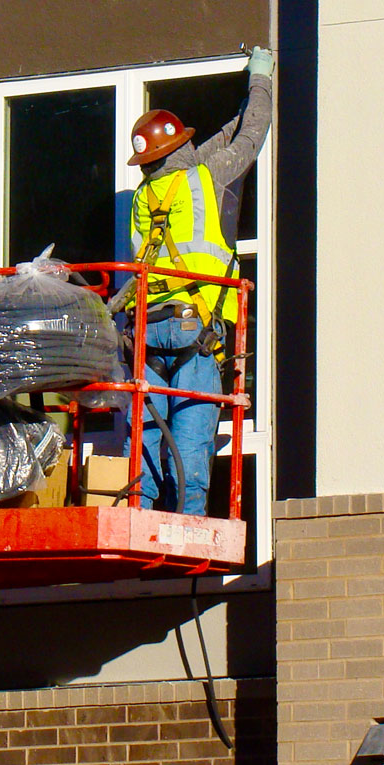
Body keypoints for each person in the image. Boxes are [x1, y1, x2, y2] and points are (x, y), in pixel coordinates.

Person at [125, 47, 274, 515]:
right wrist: (261, 79)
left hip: (146, 331)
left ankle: (143, 517)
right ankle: (188, 527)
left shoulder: (147, 194)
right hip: (194, 329)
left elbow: (217, 141)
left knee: (148, 436)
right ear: (180, 148)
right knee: (189, 443)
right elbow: (251, 136)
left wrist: (239, 109)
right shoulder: (205, 180)